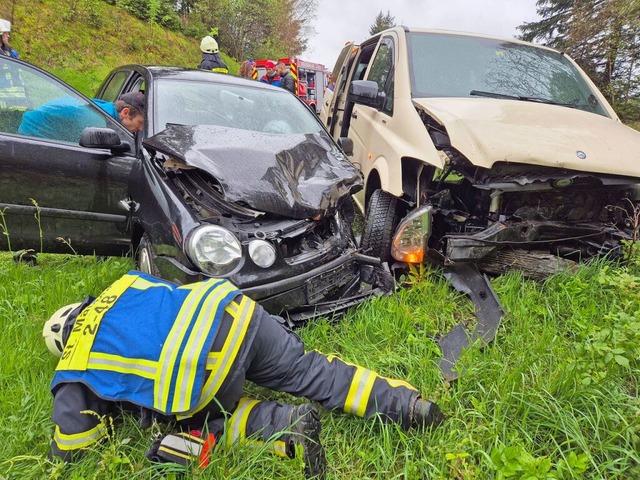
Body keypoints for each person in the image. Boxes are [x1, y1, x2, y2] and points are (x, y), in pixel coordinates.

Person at [43, 271, 444, 479]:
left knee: (178, 433)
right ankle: (406, 404)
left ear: (62, 342)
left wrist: (62, 455)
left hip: (206, 370)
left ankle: (284, 425)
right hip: (237, 313)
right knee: (313, 370)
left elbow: (75, 440)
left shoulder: (74, 359)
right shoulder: (123, 284)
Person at [18, 91, 145, 143]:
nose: (140, 129)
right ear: (125, 113)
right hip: (30, 136)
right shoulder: (97, 122)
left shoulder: (108, 109)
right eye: (140, 123)